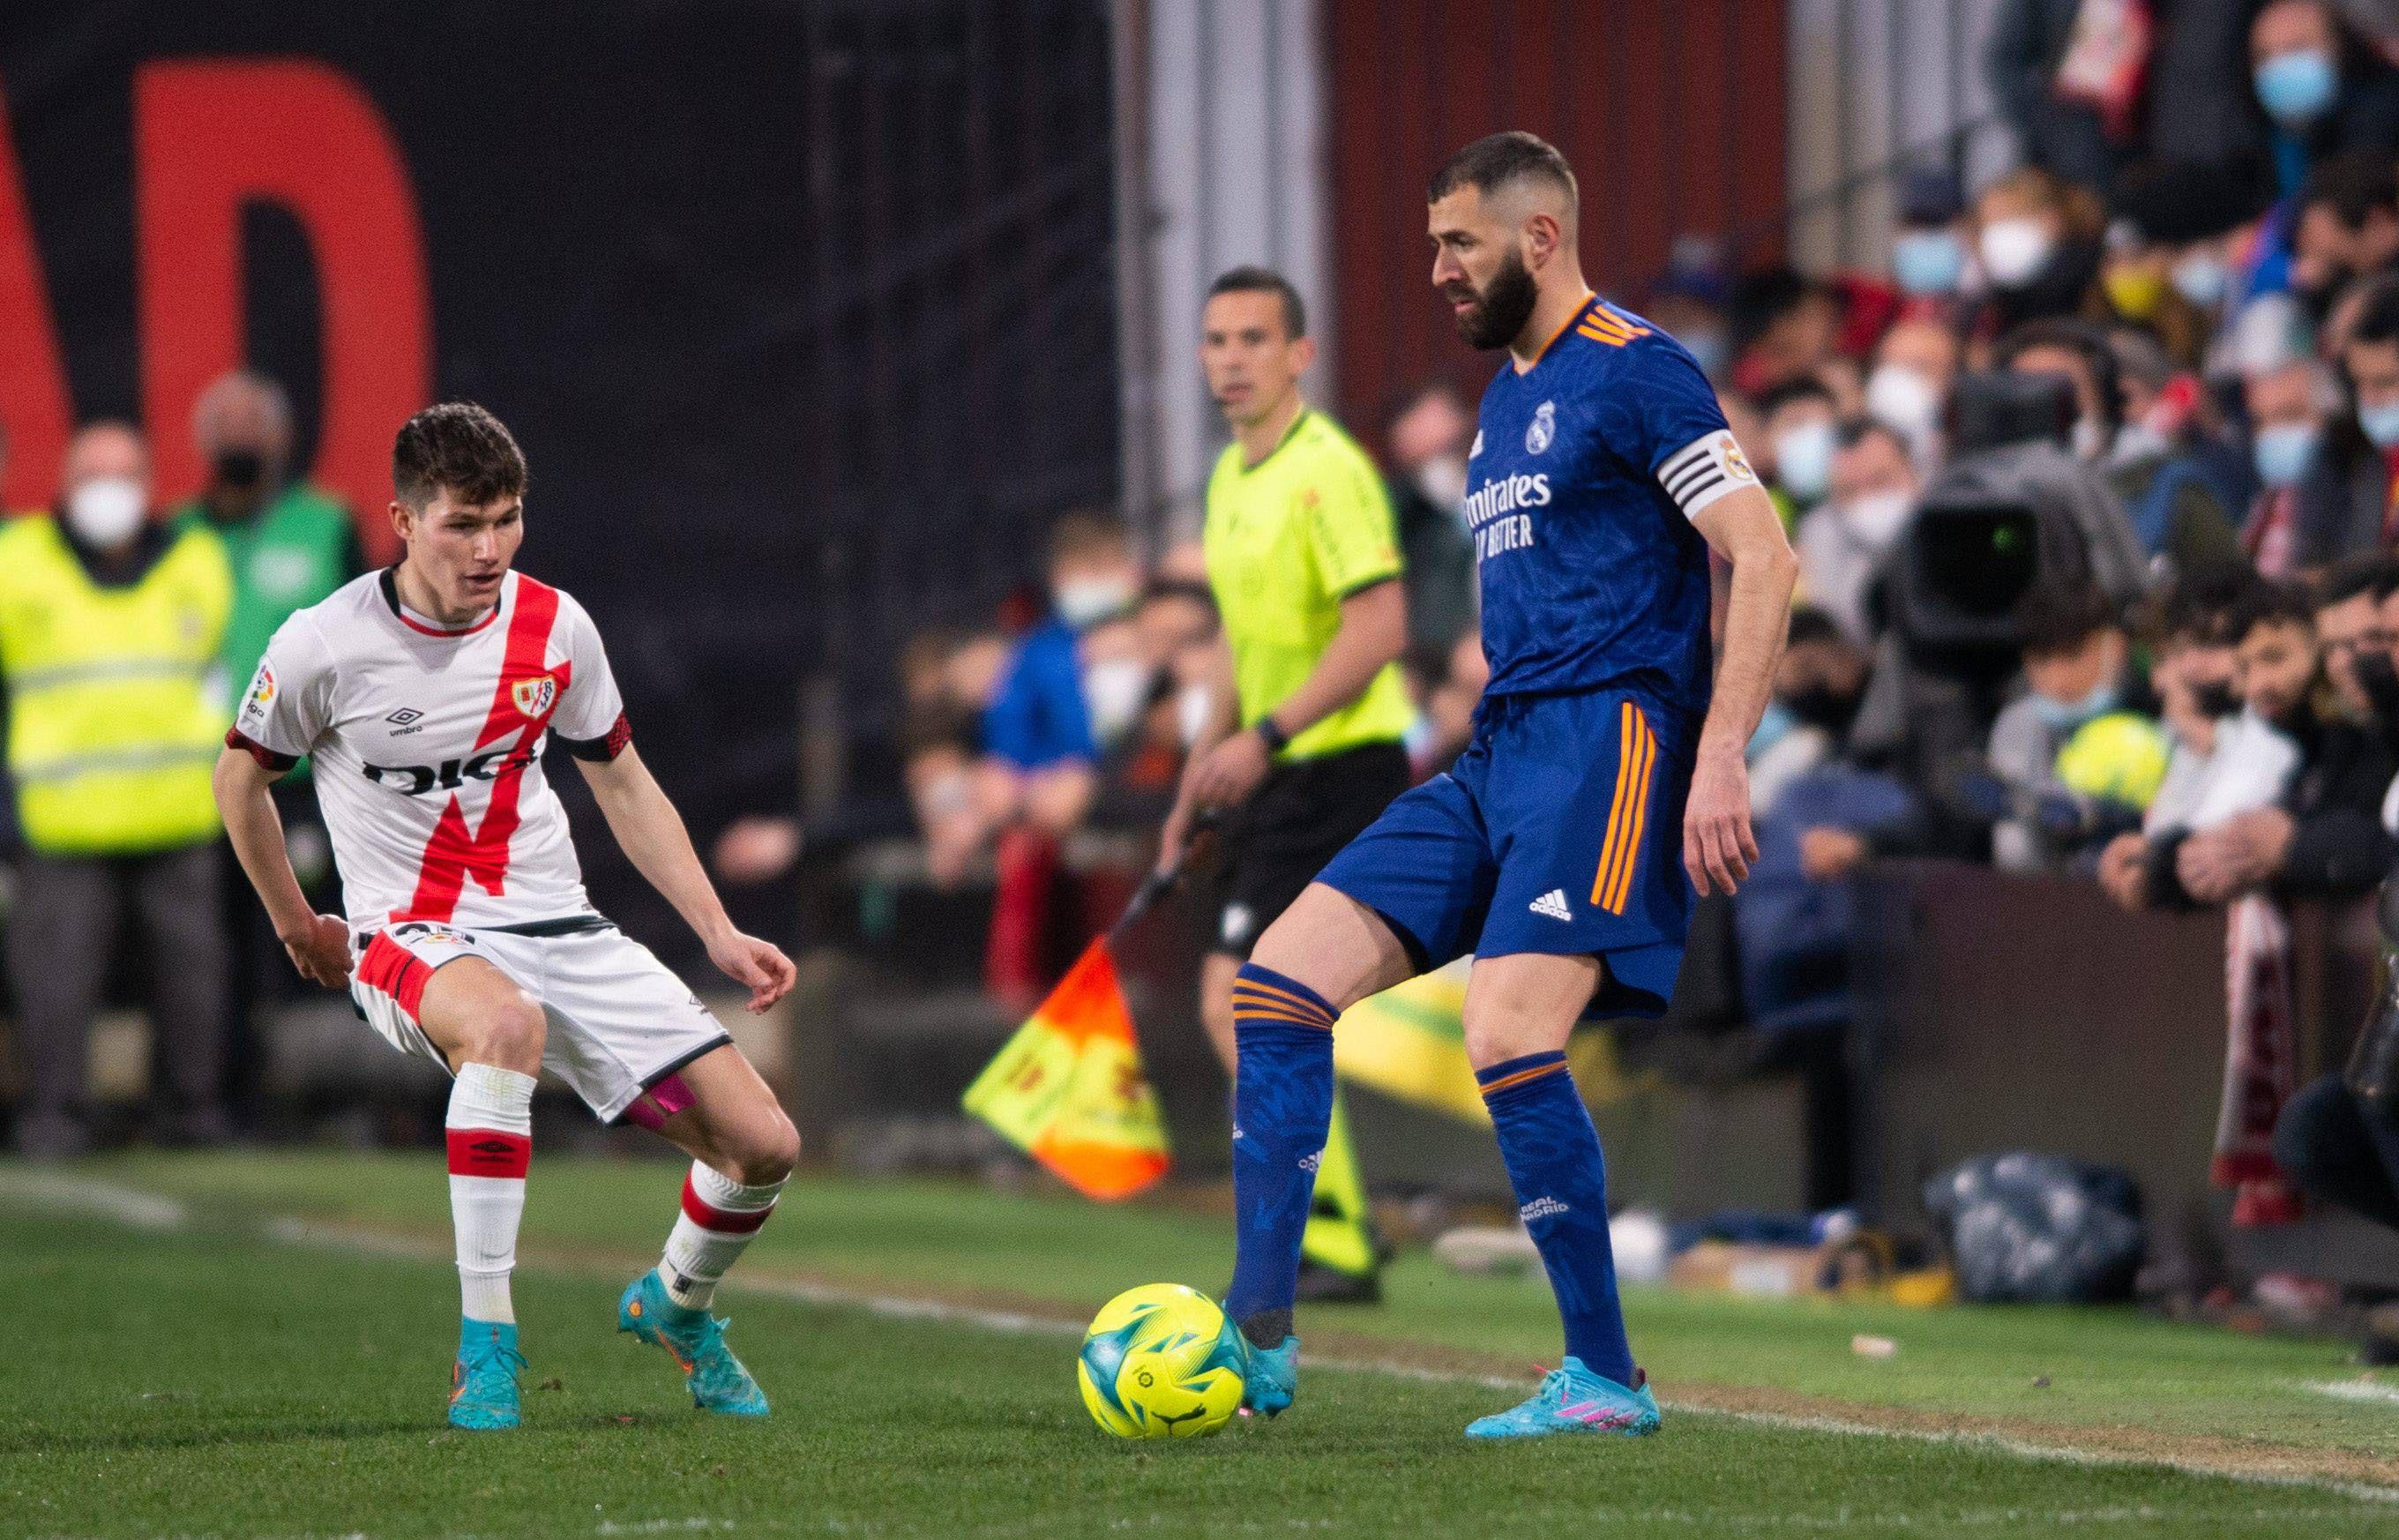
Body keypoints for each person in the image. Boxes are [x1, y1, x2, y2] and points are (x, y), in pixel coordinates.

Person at [1213, 132, 1795, 1439]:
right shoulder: (1502, 404)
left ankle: (1606, 1376)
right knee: (1280, 981)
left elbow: (1762, 558)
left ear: (1540, 236)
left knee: (1506, 1031)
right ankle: (1257, 1334)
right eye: (1432, 246)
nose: (1437, 271)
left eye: (1458, 243)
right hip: (1497, 747)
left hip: (1611, 744)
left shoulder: (1638, 371)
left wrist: (1719, 752)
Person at [213, 402, 800, 1432]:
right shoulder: (326, 643)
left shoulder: (554, 626)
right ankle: (486, 1345)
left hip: (555, 924)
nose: (489, 549)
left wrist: (713, 927)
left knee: (763, 1145)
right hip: (407, 933)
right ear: (402, 517)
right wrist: (299, 924)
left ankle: (673, 1305)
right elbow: (238, 780)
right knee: (503, 1027)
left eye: (507, 520)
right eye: (462, 524)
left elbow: (622, 782)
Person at [1156, 265, 1414, 1305]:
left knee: (1246, 1001)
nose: (1230, 358)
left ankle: (1341, 1236)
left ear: (1299, 355)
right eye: (1216, 339)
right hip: (1274, 770)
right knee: (1249, 1004)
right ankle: (1334, 1233)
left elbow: (1382, 629)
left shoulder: (1329, 471)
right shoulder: (1229, 477)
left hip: (1335, 767)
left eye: (1253, 339)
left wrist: (1261, 737)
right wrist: (1194, 780)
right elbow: (1231, 638)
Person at [0, 422, 235, 1156]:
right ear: (65, 484)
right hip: (62, 820)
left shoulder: (197, 561)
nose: (110, 489)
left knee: (194, 981)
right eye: (94, 473)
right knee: (52, 986)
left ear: (151, 482)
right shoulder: (17, 563)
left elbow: (223, 681)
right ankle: (53, 1116)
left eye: (125, 472)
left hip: (180, 812)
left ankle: (192, 1113)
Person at [172, 369, 365, 1123]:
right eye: (226, 426)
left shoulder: (324, 524)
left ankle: (331, 1097)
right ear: (200, 442)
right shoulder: (175, 538)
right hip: (209, 779)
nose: (240, 439)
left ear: (283, 438)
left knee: (323, 941)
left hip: (307, 779)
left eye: (255, 424)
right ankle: (227, 1096)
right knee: (216, 954)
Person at [1795, 418, 1916, 648]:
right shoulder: (1815, 539)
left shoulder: (1945, 523)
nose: (1867, 499)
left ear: (1911, 472)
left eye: (1880, 481)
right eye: (1849, 491)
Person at [1381, 380, 1480, 659]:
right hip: (1445, 660)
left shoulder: (1508, 490)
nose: (1440, 469)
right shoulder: (1407, 518)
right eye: (1423, 462)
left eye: (1450, 449)